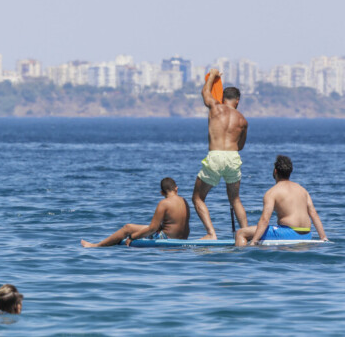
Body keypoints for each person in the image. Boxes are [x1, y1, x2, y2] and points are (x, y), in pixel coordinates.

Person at [192, 68, 249, 240]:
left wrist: (213, 76)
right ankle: (246, 234)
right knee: (235, 200)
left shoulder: (215, 107)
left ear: (222, 98)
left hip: (216, 156)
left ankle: (211, 233)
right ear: (237, 101)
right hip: (233, 157)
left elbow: (205, 92)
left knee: (198, 198)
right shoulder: (243, 120)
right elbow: (240, 146)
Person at [235, 155, 328, 246]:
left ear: (275, 171)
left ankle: (242, 258)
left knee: (241, 233)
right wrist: (323, 237)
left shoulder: (272, 192)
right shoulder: (303, 190)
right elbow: (314, 214)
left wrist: (254, 241)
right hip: (307, 235)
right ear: (290, 172)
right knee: (259, 233)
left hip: (288, 234)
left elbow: (265, 220)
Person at [81, 177, 190, 248]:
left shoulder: (164, 203)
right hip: (183, 238)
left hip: (167, 238)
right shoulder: (184, 201)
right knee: (141, 229)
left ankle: (96, 245)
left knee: (128, 228)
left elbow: (152, 228)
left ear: (161, 192)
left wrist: (133, 237)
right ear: (176, 189)